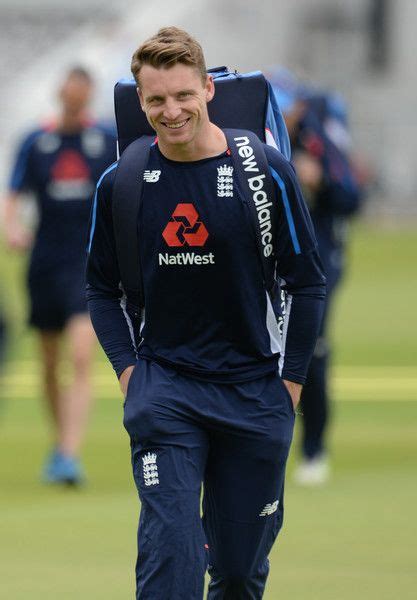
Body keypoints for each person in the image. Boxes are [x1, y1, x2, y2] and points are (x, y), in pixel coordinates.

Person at [86, 27, 325, 599]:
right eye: (156, 100)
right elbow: (101, 289)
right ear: (140, 102)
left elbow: (306, 283)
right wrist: (130, 376)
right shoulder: (121, 183)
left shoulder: (264, 170)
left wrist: (288, 386)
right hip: (165, 390)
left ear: (207, 90)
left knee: (240, 573)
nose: (171, 112)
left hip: (254, 392)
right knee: (173, 555)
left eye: (183, 95)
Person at [3, 67, 117, 485]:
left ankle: (70, 453)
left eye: (82, 96)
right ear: (59, 94)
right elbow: (12, 196)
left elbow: (120, 191)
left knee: (82, 356)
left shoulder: (104, 140)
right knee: (49, 362)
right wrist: (12, 227)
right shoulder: (37, 142)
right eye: (69, 95)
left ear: (89, 97)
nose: (75, 102)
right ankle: (59, 443)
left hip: (86, 263)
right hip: (44, 262)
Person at [270, 69, 362, 485]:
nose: (283, 117)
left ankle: (314, 448)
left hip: (319, 260)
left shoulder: (319, 137)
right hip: (267, 263)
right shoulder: (255, 138)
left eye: (289, 110)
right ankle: (262, 446)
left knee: (312, 348)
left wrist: (319, 179)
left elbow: (350, 198)